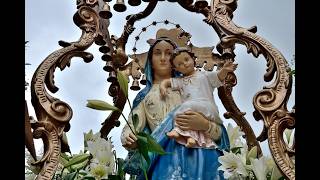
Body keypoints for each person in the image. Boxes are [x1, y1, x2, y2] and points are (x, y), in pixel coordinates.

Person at [121, 32, 230, 179]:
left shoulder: (190, 88)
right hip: (164, 159)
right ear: (150, 60)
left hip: (199, 155)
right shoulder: (145, 96)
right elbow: (133, 124)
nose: (163, 58)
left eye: (169, 54)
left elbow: (219, 132)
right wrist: (129, 137)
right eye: (158, 53)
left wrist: (205, 125)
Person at [160, 47, 238, 148]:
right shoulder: (181, 81)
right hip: (193, 108)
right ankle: (191, 138)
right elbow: (167, 81)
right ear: (176, 69)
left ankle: (176, 130)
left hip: (206, 107)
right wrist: (163, 86)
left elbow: (218, 76)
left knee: (181, 110)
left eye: (186, 59)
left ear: (194, 59)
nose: (184, 64)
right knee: (187, 115)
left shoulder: (204, 75)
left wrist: (225, 70)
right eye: (179, 64)